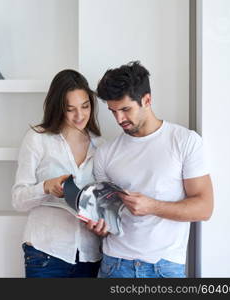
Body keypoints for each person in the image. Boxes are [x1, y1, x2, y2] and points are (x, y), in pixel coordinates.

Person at [87, 61, 214, 278]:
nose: (119, 119)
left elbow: (204, 208)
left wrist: (152, 206)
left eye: (126, 109)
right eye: (113, 111)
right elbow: (105, 213)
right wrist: (100, 226)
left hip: (164, 268)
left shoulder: (184, 142)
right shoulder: (105, 153)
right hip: (115, 265)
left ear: (147, 100)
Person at [12, 69, 104, 278]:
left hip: (88, 256)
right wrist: (46, 187)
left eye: (85, 106)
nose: (80, 115)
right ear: (58, 108)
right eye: (70, 109)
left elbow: (101, 203)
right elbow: (18, 200)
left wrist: (101, 220)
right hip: (46, 254)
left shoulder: (101, 146)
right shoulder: (37, 139)